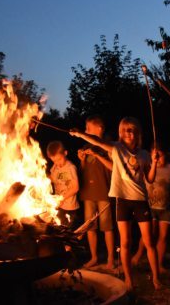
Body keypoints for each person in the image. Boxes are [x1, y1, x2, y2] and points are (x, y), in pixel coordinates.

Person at [70, 117, 161, 291]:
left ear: (138, 133)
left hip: (140, 201)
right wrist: (81, 134)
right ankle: (128, 279)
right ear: (120, 133)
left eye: (132, 129)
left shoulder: (143, 154)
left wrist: (155, 162)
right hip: (123, 201)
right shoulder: (116, 149)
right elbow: (97, 141)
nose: (129, 132)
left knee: (149, 241)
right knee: (125, 243)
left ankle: (156, 277)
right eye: (126, 129)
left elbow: (150, 179)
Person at [131, 142, 170, 273]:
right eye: (155, 155)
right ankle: (138, 254)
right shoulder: (148, 167)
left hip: (166, 207)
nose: (157, 158)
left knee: (163, 236)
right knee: (149, 233)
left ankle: (159, 264)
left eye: (160, 155)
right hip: (150, 206)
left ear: (166, 154)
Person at [77, 115, 116, 269]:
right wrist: (81, 159)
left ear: (99, 128)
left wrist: (97, 155)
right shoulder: (86, 146)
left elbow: (113, 168)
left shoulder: (108, 146)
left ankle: (111, 259)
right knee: (90, 227)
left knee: (107, 227)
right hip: (88, 193)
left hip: (104, 191)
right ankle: (94, 258)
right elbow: (84, 171)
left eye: (88, 128)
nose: (86, 130)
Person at [46, 140, 80, 229]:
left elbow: (75, 187)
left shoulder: (70, 168)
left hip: (70, 208)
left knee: (68, 233)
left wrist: (61, 198)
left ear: (65, 153)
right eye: (54, 161)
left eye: (59, 159)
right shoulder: (55, 167)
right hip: (59, 206)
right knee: (59, 232)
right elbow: (52, 179)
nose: (58, 163)